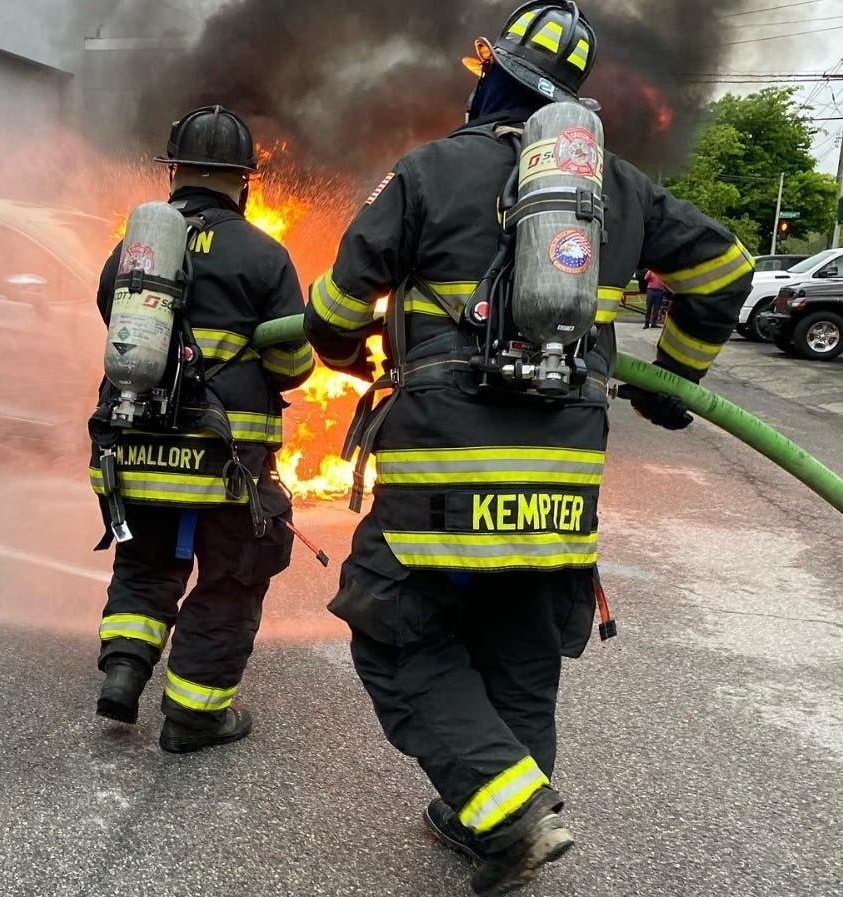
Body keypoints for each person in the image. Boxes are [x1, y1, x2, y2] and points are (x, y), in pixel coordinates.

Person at [303, 2, 753, 894]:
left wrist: (353, 356)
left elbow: (334, 310)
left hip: (442, 474)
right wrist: (677, 385)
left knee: (392, 636)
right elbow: (727, 271)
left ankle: (505, 811)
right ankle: (497, 818)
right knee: (517, 644)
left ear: (493, 76)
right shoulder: (620, 189)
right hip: (559, 484)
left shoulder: (430, 169)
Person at [89, 105, 314, 754]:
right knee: (231, 576)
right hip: (224, 464)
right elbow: (294, 365)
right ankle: (194, 715)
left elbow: (114, 316)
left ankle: (126, 672)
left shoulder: (135, 250)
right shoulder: (264, 256)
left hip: (133, 450)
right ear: (246, 180)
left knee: (144, 562)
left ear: (173, 172)